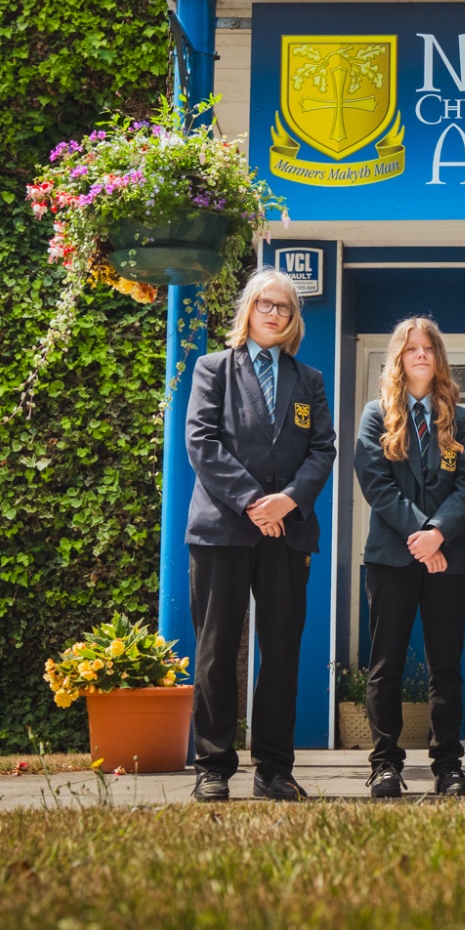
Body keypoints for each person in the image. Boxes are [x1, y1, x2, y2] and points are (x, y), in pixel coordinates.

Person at [184, 266, 337, 803]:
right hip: (222, 531)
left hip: (287, 534)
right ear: (247, 310)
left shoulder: (309, 380)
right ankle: (213, 766)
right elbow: (201, 442)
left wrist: (287, 501)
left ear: (294, 320)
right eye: (266, 304)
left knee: (281, 653)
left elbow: (323, 449)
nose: (275, 313)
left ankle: (274, 768)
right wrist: (253, 502)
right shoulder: (213, 369)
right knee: (216, 650)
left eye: (285, 308)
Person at [353, 316, 465, 799]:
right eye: (411, 349)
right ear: (399, 359)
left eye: (428, 348)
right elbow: (377, 486)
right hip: (392, 559)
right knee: (385, 663)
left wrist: (439, 535)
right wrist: (420, 533)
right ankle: (385, 763)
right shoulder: (375, 415)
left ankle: (449, 764)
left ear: (439, 357)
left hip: (447, 561)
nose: (421, 354)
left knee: (446, 664)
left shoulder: (462, 420)